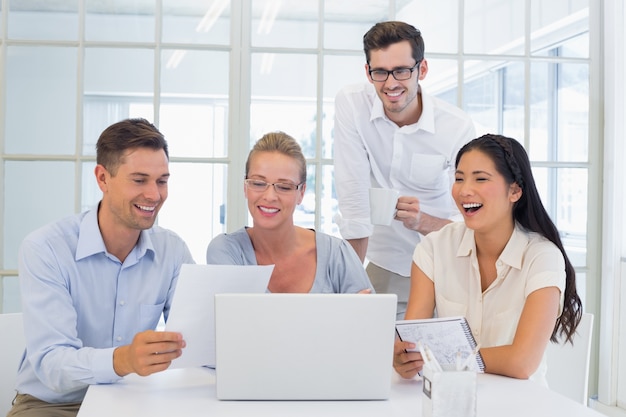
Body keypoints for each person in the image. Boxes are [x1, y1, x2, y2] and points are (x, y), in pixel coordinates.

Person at [8, 118, 195, 417]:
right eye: (139, 179)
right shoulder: (46, 249)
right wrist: (124, 360)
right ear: (103, 178)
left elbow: (196, 340)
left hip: (133, 398)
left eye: (162, 180)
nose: (154, 194)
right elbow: (53, 364)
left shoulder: (172, 250)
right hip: (55, 405)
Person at [393, 134, 583, 385]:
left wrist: (438, 355)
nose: (464, 190)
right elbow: (414, 343)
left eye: (480, 179)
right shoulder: (434, 247)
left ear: (514, 190)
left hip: (521, 404)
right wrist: (405, 359)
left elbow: (522, 362)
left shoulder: (542, 257)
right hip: (451, 397)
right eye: (459, 178)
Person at [333, 21, 476, 318]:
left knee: (440, 358)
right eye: (380, 72)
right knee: (369, 351)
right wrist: (347, 290)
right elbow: (354, 202)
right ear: (368, 71)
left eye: (401, 70)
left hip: (445, 267)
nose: (390, 83)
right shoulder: (352, 104)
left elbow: (471, 223)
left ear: (421, 70)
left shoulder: (456, 128)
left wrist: (422, 221)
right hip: (386, 263)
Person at [206, 131, 373, 294]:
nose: (269, 196)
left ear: (301, 193)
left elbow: (371, 317)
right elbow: (234, 319)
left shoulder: (337, 254)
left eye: (284, 187)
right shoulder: (227, 251)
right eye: (258, 183)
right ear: (245, 187)